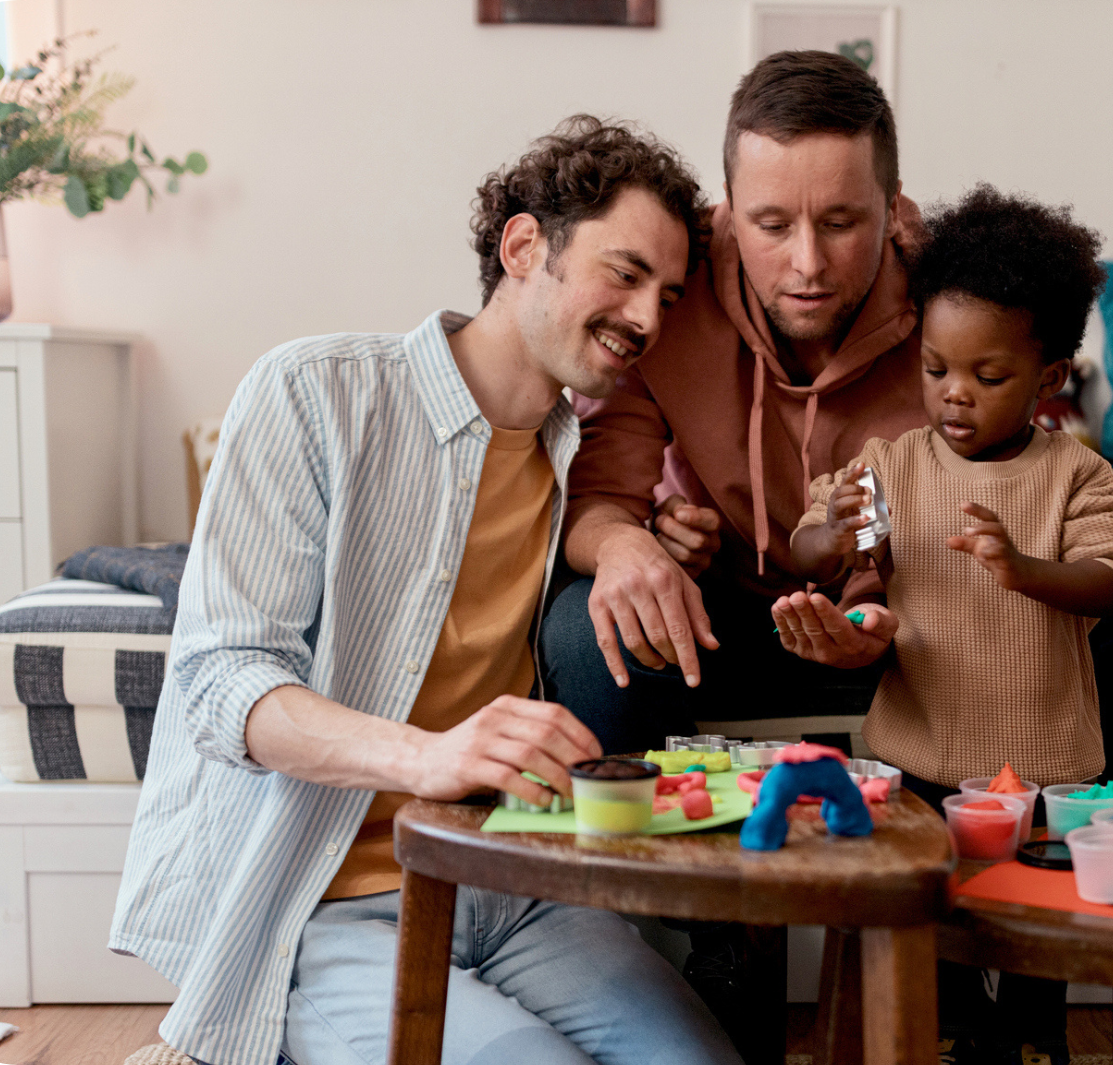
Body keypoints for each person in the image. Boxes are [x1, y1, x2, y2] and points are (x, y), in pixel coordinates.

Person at [109, 116, 743, 1065]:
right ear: (523, 245)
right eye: (625, 273)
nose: (650, 317)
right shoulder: (313, 392)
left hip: (516, 881)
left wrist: (646, 545)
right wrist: (431, 755)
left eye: (669, 292)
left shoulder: (578, 461)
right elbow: (218, 683)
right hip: (326, 899)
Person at [545, 50, 1113, 791]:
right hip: (723, 610)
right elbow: (598, 495)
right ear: (727, 206)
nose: (808, 263)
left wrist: (873, 617)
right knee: (581, 625)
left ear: (891, 206)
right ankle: (675, 886)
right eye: (771, 223)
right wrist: (634, 544)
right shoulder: (670, 284)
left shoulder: (952, 302)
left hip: (910, 625)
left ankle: (1007, 821)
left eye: (841, 221)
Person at [785, 185, 1113, 1064]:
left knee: (1036, 929)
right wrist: (829, 537)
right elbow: (825, 554)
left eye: (988, 377)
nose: (954, 394)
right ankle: (950, 1034)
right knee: (933, 919)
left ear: (1049, 379)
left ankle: (1029, 1037)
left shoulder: (1076, 475)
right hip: (923, 749)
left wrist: (1021, 567)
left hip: (1046, 758)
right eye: (937, 368)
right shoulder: (894, 465)